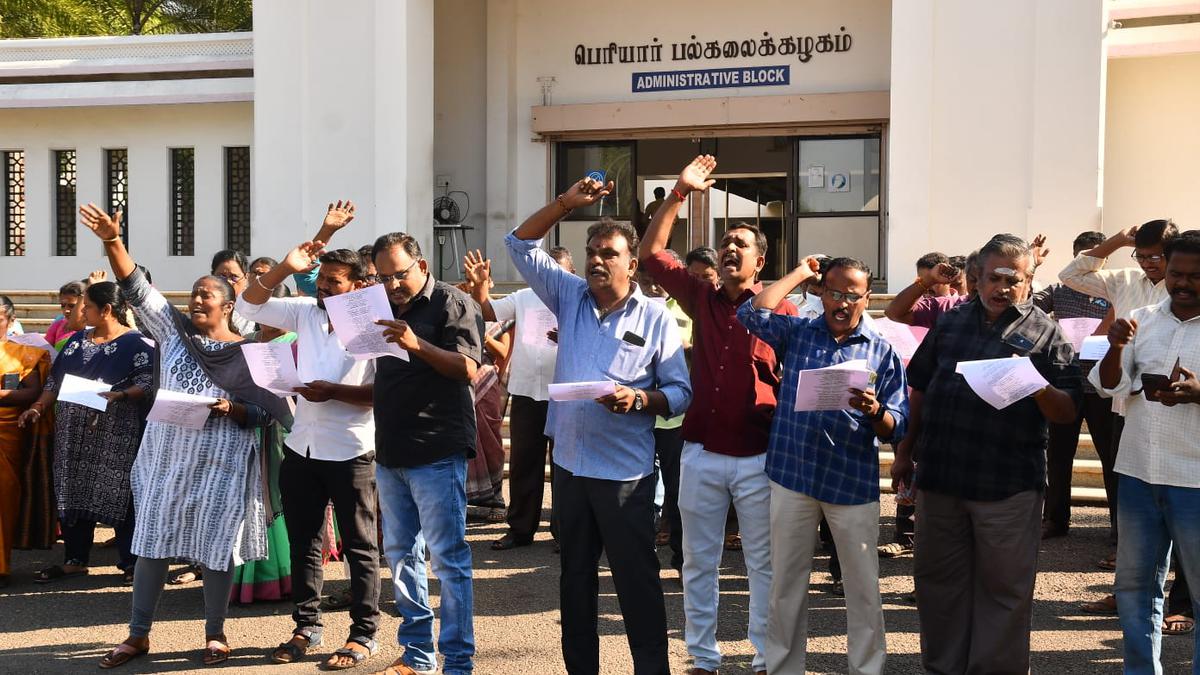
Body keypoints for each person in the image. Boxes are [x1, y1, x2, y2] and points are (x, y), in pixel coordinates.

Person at [80, 204, 292, 669]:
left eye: (207, 295)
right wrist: (114, 241)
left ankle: (215, 634)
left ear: (229, 306)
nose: (196, 301)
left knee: (217, 547)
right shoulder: (174, 334)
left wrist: (231, 407)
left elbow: (267, 412)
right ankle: (138, 635)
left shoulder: (251, 350)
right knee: (153, 541)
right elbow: (136, 287)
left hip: (223, 457)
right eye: (194, 294)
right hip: (166, 456)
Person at [507, 174, 691, 675]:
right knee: (575, 582)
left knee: (636, 584)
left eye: (608, 252)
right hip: (569, 467)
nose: (596, 260)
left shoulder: (656, 318)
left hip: (625, 477)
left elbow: (680, 392)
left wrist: (640, 398)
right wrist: (567, 203)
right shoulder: (568, 296)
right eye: (592, 250)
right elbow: (518, 243)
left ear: (632, 263)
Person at [639, 155, 797, 675]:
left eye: (742, 244)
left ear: (760, 262)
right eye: (726, 242)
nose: (731, 248)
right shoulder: (700, 297)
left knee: (761, 566)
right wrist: (679, 193)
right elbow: (651, 255)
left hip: (759, 458)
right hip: (700, 452)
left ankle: (762, 657)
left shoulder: (782, 309)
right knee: (696, 563)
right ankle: (702, 658)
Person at [894, 234, 1081, 674]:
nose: (1002, 287)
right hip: (942, 477)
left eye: (1013, 279)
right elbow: (920, 387)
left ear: (1029, 280)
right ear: (976, 278)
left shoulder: (1046, 333)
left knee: (1004, 591)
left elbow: (1068, 411)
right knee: (938, 586)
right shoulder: (952, 322)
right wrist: (905, 452)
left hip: (1007, 486)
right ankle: (943, 668)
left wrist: (1034, 382)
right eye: (993, 277)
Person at [739, 256, 908, 675]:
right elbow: (752, 312)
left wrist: (875, 410)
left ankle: (867, 668)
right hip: (793, 475)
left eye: (854, 295)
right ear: (821, 293)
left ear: (868, 298)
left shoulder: (881, 349)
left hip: (850, 482)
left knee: (863, 586)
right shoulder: (798, 333)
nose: (844, 302)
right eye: (835, 292)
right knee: (786, 584)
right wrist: (798, 273)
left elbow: (898, 425)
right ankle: (782, 667)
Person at [237, 217, 383, 669]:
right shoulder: (303, 310)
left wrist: (333, 391)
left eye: (333, 282)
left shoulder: (378, 324)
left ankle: (363, 634)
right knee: (305, 541)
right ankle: (306, 626)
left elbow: (384, 395)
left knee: (360, 546)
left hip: (352, 450)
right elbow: (248, 306)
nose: (322, 288)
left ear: (358, 285)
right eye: (319, 280)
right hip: (303, 447)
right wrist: (285, 267)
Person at [1058, 219, 1187, 625]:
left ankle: (1181, 603)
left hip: (1185, 415)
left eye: (1158, 256)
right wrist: (1118, 241)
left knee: (1186, 512)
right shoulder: (1125, 280)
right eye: (1143, 255)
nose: (1150, 264)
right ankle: (1126, 589)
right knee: (1127, 499)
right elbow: (1071, 275)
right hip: (1128, 408)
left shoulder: (1188, 288)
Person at [369, 232, 482, 675]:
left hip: (437, 450)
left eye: (400, 274)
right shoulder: (380, 307)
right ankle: (418, 652)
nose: (393, 285)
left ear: (422, 265)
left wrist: (418, 344)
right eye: (384, 277)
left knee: (448, 560)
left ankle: (458, 660)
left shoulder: (452, 303)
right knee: (400, 556)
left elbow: (468, 368)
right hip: (390, 451)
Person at [1090, 229, 1200, 673]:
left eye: (1196, 275)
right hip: (1137, 471)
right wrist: (1116, 347)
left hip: (1195, 479)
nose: (1183, 283)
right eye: (1176, 273)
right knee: (1134, 588)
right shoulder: (1142, 317)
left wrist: (1198, 393)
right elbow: (1107, 385)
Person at [18, 282, 153, 586]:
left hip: (116, 434)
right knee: (72, 488)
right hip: (72, 432)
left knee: (122, 493)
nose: (82, 311)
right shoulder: (78, 341)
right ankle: (75, 559)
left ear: (106, 310)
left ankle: (131, 562)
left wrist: (119, 396)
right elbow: (55, 382)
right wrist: (38, 407)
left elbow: (147, 383)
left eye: (87, 306)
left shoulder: (138, 344)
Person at [464, 247, 572, 551]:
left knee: (565, 465)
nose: (549, 278)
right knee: (525, 462)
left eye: (557, 272)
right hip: (526, 389)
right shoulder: (524, 297)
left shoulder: (578, 298)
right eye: (544, 271)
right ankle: (521, 530)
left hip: (564, 391)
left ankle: (565, 533)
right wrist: (479, 286)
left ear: (570, 274)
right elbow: (487, 311)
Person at [1033, 231, 1115, 539]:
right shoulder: (1058, 289)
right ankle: (1054, 520)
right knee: (1058, 454)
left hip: (1102, 385)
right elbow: (1027, 306)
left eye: (1096, 257)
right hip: (1066, 382)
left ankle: (1118, 528)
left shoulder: (1115, 289)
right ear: (1075, 257)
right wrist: (1033, 265)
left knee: (1111, 455)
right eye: (1083, 257)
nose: (1089, 264)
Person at [230, 285, 297, 606]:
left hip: (282, 434)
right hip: (243, 431)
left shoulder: (296, 341)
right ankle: (241, 577)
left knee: (275, 497)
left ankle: (279, 576)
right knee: (246, 499)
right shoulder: (245, 343)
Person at [0, 295, 53, 589]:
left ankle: (1, 566)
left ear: (9, 320)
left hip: (7, 432)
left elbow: (32, 393)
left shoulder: (24, 354)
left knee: (2, 501)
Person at [211, 249, 255, 336]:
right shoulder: (204, 306)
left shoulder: (255, 309)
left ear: (246, 277)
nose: (228, 281)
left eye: (234, 277)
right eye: (221, 276)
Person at [44, 281, 87, 350]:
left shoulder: (91, 328)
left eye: (72, 306)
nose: (66, 310)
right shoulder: (57, 325)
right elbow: (46, 350)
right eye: (63, 305)